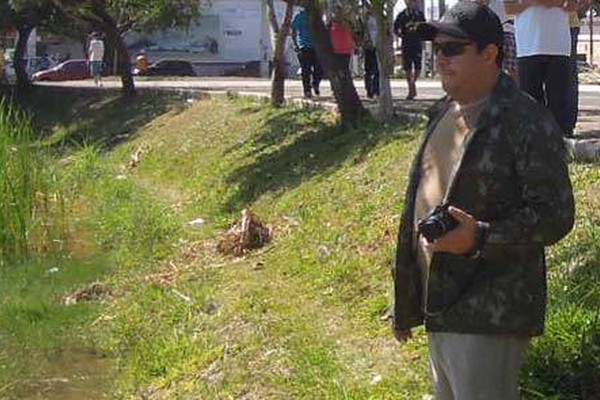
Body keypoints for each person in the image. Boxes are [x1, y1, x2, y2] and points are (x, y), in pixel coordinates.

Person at [391, 3, 575, 399]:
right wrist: (406, 296)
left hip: (489, 311)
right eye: (436, 48)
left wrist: (480, 237)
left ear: (490, 53)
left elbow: (555, 215)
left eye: (453, 48)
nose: (440, 58)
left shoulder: (525, 120)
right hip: (440, 303)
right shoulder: (442, 112)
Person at [510, 0, 577, 137]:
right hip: (528, 46)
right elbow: (509, 8)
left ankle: (560, 144)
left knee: (558, 101)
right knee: (531, 101)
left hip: (558, 46)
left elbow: (573, 6)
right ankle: (535, 145)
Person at [394, 0, 426, 100]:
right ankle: (410, 89)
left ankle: (413, 84)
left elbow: (425, 26)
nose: (412, 4)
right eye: (410, 2)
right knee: (407, 67)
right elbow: (395, 28)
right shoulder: (402, 15)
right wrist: (401, 35)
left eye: (414, 2)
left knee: (418, 67)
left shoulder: (419, 15)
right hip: (407, 44)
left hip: (417, 43)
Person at [291, 8, 323, 98]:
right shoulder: (298, 16)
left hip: (316, 47)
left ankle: (315, 83)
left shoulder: (316, 16)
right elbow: (293, 31)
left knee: (320, 69)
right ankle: (307, 90)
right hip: (303, 46)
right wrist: (295, 44)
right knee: (306, 70)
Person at [362, 9, 380, 98]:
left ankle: (376, 90)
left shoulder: (381, 18)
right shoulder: (364, 18)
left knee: (378, 70)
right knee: (368, 70)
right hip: (368, 46)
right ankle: (369, 90)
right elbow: (361, 31)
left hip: (379, 47)